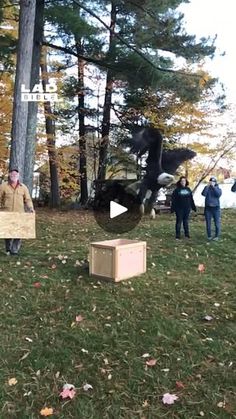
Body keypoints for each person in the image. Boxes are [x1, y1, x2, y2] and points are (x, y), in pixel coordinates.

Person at [0, 168, 34, 255]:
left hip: (19, 213)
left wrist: (30, 208)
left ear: (18, 176)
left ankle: (14, 250)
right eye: (12, 174)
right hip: (6, 213)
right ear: (9, 176)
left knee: (19, 233)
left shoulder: (23, 187)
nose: (13, 176)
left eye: (15, 175)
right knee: (7, 233)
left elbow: (28, 199)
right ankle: (8, 249)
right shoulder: (3, 186)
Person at [201, 176, 222, 241]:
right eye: (211, 181)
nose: (212, 183)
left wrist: (213, 187)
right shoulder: (207, 188)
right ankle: (209, 236)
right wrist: (207, 186)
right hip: (208, 209)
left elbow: (218, 194)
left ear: (215, 182)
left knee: (217, 223)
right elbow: (203, 194)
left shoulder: (218, 188)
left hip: (216, 208)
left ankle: (216, 236)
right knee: (208, 223)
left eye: (213, 181)